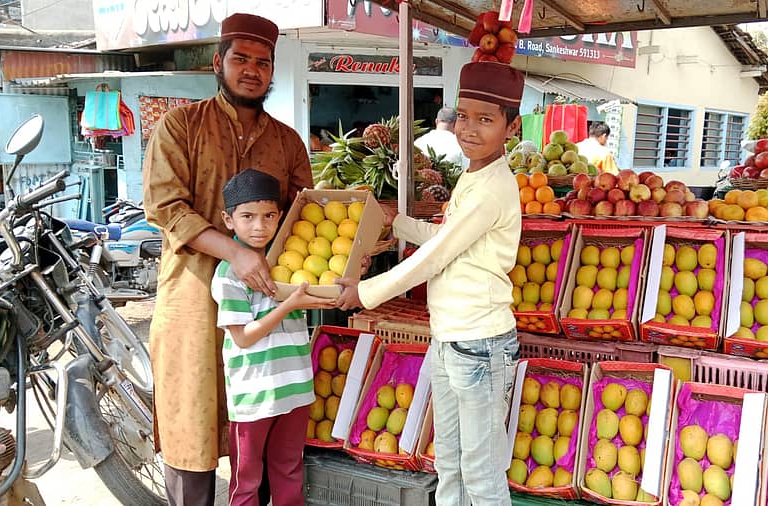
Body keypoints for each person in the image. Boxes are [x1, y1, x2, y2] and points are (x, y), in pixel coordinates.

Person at [142, 12, 314, 505]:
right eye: (241, 59)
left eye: (263, 62)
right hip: (193, 301)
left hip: (265, 301)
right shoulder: (181, 126)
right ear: (219, 63)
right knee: (192, 432)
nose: (252, 70)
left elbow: (306, 215)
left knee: (260, 434)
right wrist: (234, 252)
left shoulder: (287, 141)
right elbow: (165, 206)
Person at [335, 61, 524, 506]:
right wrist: (397, 221)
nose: (470, 129)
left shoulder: (493, 187)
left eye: (486, 120)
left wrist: (363, 294)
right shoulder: (474, 176)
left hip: (480, 345)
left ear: (511, 127)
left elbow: (435, 258)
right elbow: (448, 240)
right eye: (464, 116)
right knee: (449, 465)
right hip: (450, 340)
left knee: (481, 474)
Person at [211, 169, 331, 506]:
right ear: (228, 220)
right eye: (247, 217)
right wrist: (288, 304)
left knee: (290, 471)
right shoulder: (230, 274)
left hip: (294, 389)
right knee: (247, 482)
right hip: (254, 397)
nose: (259, 226)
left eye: (268, 216)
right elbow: (244, 338)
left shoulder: (286, 261)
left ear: (280, 217)